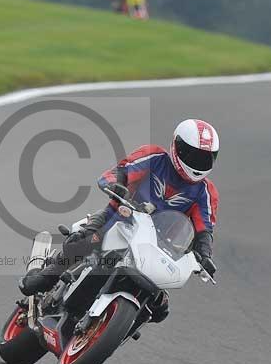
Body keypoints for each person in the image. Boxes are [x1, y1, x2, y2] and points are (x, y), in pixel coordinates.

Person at [19, 119, 220, 323]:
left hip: (158, 248)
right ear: (177, 146)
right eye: (193, 155)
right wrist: (115, 184)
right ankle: (46, 277)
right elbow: (122, 171)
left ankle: (120, 323)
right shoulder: (154, 157)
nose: (198, 163)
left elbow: (204, 228)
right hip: (118, 218)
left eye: (205, 159)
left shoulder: (205, 192)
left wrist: (204, 254)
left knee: (160, 308)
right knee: (83, 243)